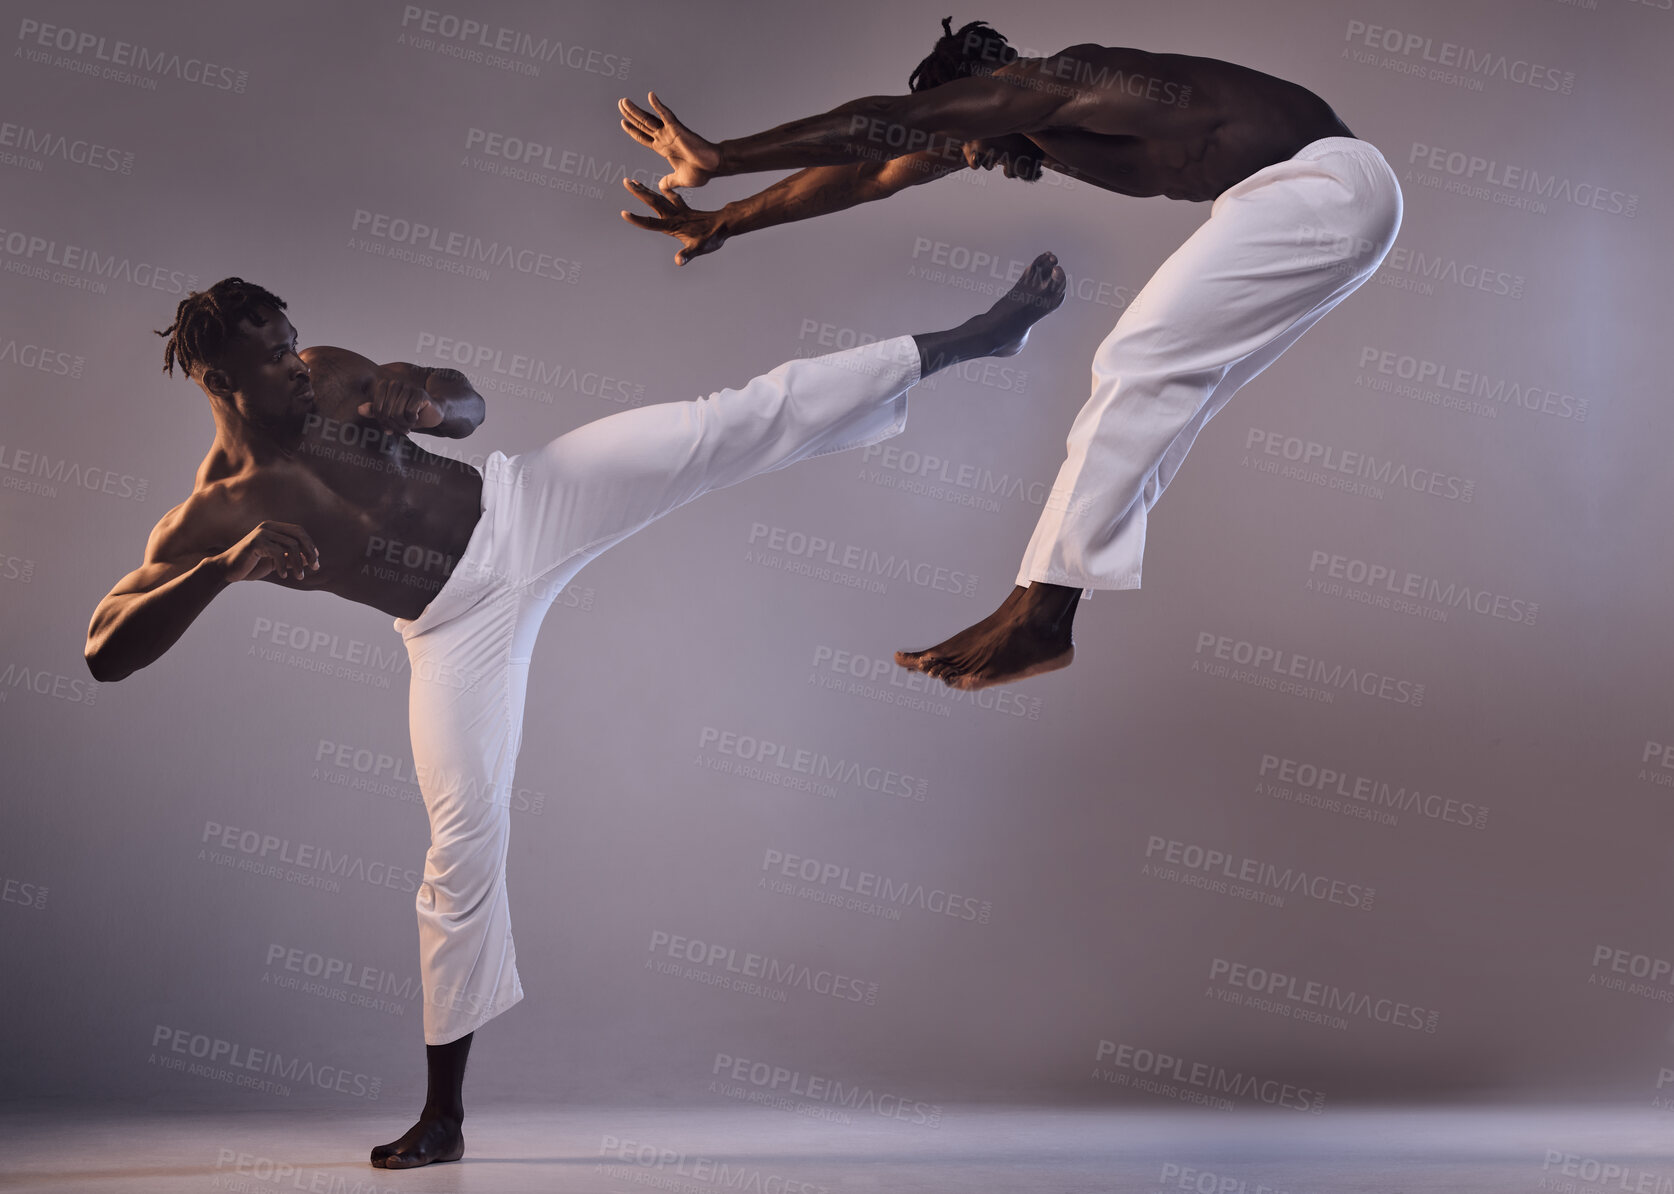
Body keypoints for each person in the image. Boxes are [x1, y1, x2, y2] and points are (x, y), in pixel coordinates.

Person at [82, 259, 1066, 1167]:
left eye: (295, 343)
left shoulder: (335, 377)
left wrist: (431, 402)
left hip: (528, 505)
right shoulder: (212, 516)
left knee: (725, 421)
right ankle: (444, 1119)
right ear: (219, 382)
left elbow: (466, 402)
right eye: (273, 360)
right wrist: (216, 574)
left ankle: (976, 336)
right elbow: (105, 648)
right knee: (460, 844)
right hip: (452, 627)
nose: (298, 368)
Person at [617, 19, 1402, 689]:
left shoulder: (1060, 82)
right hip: (1318, 209)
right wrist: (728, 220)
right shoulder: (1003, 128)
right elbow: (871, 174)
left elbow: (882, 121)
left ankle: (1043, 610)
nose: (980, 161)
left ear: (988, 92)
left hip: (1326, 184)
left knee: (1139, 357)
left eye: (969, 140)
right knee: (1171, 385)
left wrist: (724, 155)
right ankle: (1052, 602)